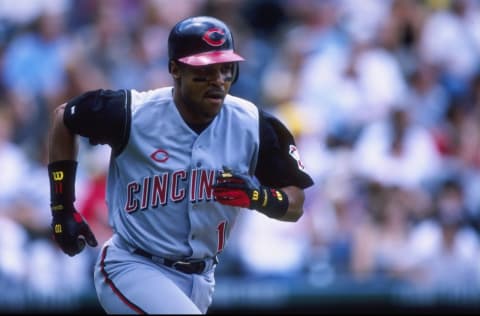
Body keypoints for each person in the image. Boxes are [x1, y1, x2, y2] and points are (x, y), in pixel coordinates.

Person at [47, 15, 314, 314]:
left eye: (226, 68)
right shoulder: (131, 113)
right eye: (205, 69)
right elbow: (64, 118)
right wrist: (62, 209)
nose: (218, 80)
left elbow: (295, 202)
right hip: (133, 265)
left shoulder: (253, 124)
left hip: (201, 279)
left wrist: (258, 197)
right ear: (175, 69)